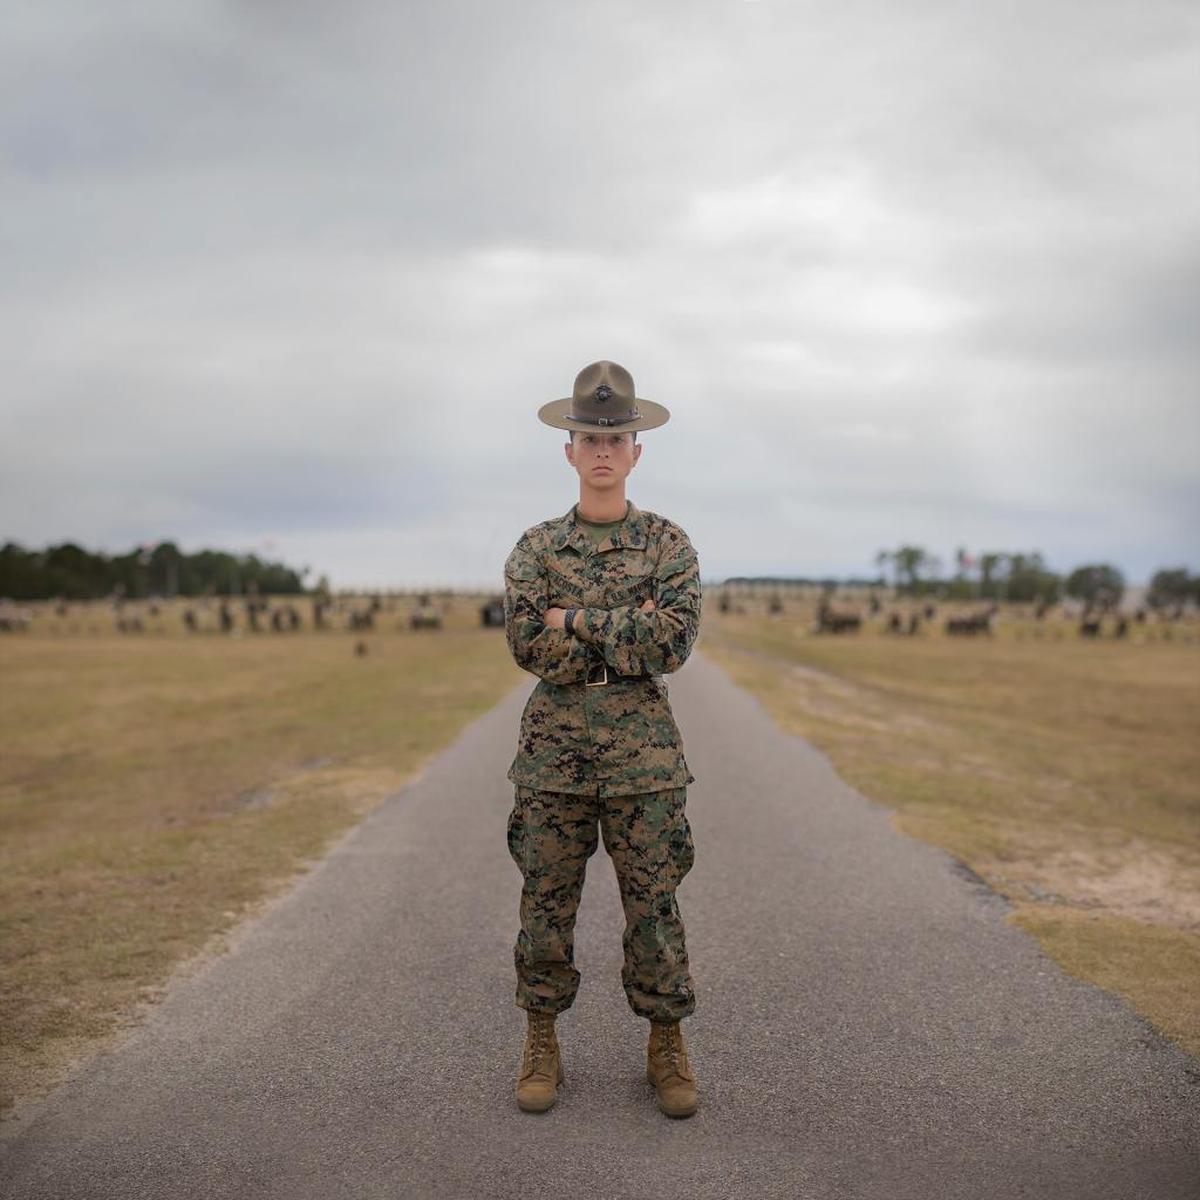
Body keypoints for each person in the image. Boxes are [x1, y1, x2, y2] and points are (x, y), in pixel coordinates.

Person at [502, 360, 702, 1118]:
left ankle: (667, 1047)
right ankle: (542, 1041)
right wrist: (627, 625)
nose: (603, 451)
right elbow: (527, 644)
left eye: (616, 438)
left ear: (637, 450)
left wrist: (576, 619)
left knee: (654, 910)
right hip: (553, 756)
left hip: (644, 758)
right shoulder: (536, 548)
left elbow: (673, 643)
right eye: (590, 437)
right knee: (545, 907)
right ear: (569, 449)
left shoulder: (667, 545)